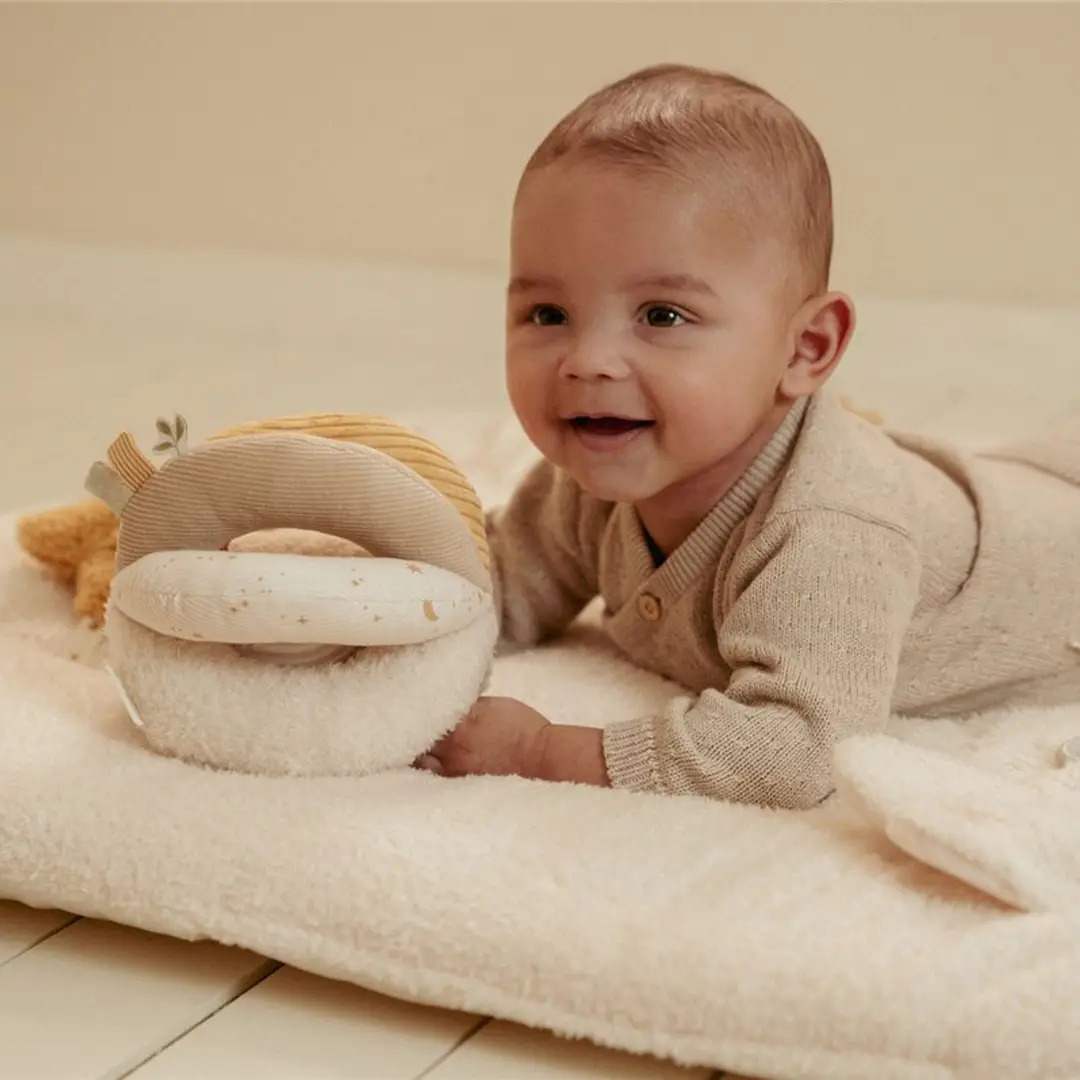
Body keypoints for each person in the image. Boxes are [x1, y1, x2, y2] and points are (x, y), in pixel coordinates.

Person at [418, 63, 1080, 807]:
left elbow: (797, 751)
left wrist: (545, 751)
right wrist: (370, 616)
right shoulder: (593, 472)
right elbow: (494, 587)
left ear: (804, 349)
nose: (588, 360)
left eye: (662, 316)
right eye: (548, 314)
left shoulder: (830, 531)